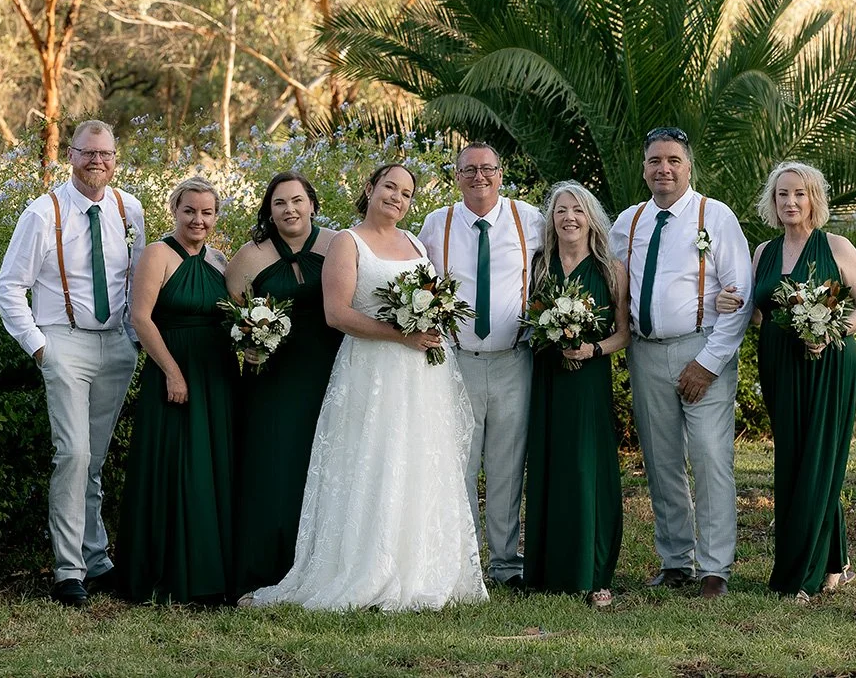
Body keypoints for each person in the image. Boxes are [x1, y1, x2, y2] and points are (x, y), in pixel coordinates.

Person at [238, 164, 488, 611]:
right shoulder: (346, 243)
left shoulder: (414, 242)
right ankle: (368, 567)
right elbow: (337, 314)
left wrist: (432, 322)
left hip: (420, 374)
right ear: (370, 188)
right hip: (371, 371)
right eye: (389, 186)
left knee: (418, 461)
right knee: (374, 460)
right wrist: (401, 335)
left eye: (407, 193)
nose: (397, 197)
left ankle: (422, 567)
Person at [0, 119, 144, 607]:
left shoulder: (130, 209)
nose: (96, 161)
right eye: (87, 153)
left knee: (94, 459)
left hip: (116, 345)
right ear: (71, 156)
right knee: (73, 454)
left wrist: (133, 337)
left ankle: (96, 560)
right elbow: (9, 289)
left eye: (105, 154)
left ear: (115, 158)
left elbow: (138, 279)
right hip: (64, 343)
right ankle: (67, 571)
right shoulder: (43, 213)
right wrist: (40, 347)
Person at [716, 161, 856, 602]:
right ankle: (834, 563)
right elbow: (756, 311)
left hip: (829, 365)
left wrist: (831, 330)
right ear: (773, 201)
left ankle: (800, 576)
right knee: (795, 458)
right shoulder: (763, 252)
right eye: (782, 194)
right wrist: (731, 301)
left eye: (799, 194)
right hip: (779, 367)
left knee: (819, 459)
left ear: (814, 199)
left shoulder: (837, 247)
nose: (790, 202)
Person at [610, 127, 753, 599]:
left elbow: (742, 294)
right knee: (661, 459)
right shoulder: (628, 222)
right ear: (644, 168)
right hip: (645, 353)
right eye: (654, 161)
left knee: (711, 456)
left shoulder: (716, 217)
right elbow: (611, 285)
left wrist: (709, 363)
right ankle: (676, 561)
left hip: (702, 347)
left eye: (673, 160)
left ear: (688, 166)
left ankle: (715, 569)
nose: (663, 169)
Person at [418, 142, 544, 587]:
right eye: (469, 170)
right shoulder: (438, 224)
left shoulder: (531, 220)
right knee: (460, 465)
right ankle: (465, 562)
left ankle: (507, 564)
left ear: (501, 173)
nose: (480, 177)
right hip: (457, 361)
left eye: (488, 169)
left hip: (514, 359)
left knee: (508, 465)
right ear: (457, 176)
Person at [114, 176, 238, 604]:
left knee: (210, 467)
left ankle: (210, 574)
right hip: (173, 374)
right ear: (175, 211)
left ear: (216, 216)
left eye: (207, 212)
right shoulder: (157, 254)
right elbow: (140, 318)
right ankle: (167, 573)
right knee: (176, 467)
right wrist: (172, 371)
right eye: (189, 211)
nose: (198, 220)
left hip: (217, 376)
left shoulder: (221, 260)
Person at [224, 172, 342, 595]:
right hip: (272, 381)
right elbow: (230, 320)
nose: (289, 209)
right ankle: (266, 567)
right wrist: (246, 344)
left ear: (312, 203)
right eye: (279, 203)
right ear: (268, 211)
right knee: (273, 468)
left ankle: (324, 566)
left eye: (297, 200)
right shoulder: (249, 257)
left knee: (327, 465)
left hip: (332, 374)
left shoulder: (338, 245)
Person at [523, 181, 630, 608]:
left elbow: (624, 334)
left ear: (591, 218)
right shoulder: (539, 266)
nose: (569, 217)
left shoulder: (610, 269)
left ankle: (594, 573)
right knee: (549, 463)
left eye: (578, 210)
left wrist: (593, 348)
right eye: (561, 210)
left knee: (588, 467)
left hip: (588, 379)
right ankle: (547, 571)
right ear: (551, 219)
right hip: (547, 376)